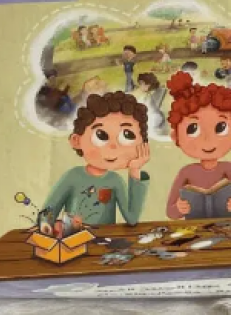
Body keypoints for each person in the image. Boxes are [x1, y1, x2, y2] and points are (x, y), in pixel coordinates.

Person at [43, 92, 151, 226]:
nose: (113, 146)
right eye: (101, 135)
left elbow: (132, 219)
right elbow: (48, 212)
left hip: (104, 238)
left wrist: (135, 170)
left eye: (127, 135)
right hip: (74, 236)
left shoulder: (115, 180)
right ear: (76, 140)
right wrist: (51, 226)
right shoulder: (73, 176)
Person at [164, 68, 231, 220]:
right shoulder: (186, 172)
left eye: (221, 127)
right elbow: (170, 211)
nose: (207, 140)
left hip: (224, 227)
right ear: (176, 137)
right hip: (194, 228)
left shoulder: (229, 169)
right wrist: (179, 208)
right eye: (192, 129)